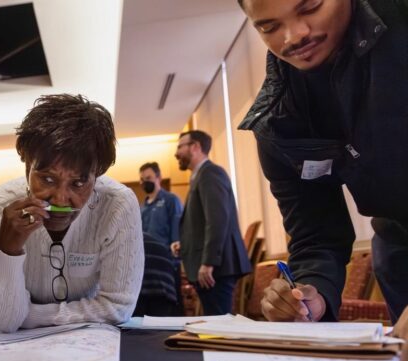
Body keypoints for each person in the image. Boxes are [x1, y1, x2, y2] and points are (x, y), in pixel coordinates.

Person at [236, 0, 408, 328]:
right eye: (269, 27)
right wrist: (309, 296)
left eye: (311, 7)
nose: (294, 36)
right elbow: (316, 235)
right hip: (398, 248)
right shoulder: (279, 122)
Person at [0, 94, 144, 332]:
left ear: (98, 175)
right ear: (26, 164)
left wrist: (29, 316)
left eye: (78, 184)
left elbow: (118, 306)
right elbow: (4, 320)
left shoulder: (117, 205)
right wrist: (8, 250)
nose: (60, 200)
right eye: (47, 178)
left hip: (91, 347)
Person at [171, 130, 251, 315]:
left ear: (195, 147)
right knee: (213, 326)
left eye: (180, 146)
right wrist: (185, 245)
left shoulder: (210, 173)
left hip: (215, 269)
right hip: (213, 267)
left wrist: (208, 263)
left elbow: (217, 220)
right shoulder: (201, 176)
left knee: (218, 329)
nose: (176, 153)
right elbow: (202, 224)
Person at [139, 162, 182, 249]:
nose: (145, 182)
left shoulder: (171, 200)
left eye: (148, 178)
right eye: (142, 179)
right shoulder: (142, 207)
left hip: (166, 257)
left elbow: (177, 231)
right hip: (147, 257)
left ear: (159, 178)